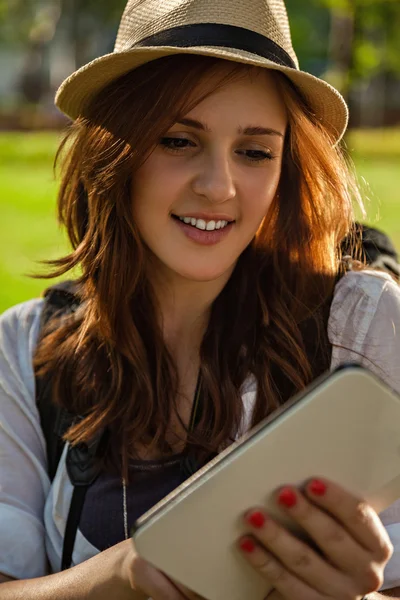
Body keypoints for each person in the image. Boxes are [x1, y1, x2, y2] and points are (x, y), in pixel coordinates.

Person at [1, 0, 400, 598]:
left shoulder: (362, 325)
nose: (218, 186)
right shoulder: (26, 347)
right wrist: (115, 576)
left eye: (255, 151)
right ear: (118, 153)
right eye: (178, 140)